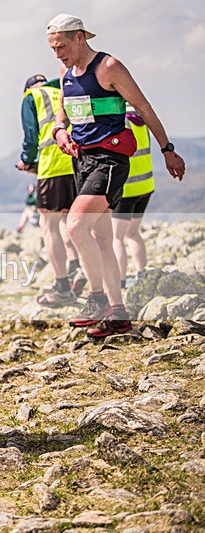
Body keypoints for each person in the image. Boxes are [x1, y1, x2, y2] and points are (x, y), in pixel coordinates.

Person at [46, 14, 185, 338]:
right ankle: (118, 313)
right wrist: (59, 130)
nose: (58, 54)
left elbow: (144, 107)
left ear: (80, 38)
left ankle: (95, 299)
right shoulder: (65, 72)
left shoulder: (109, 67)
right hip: (81, 159)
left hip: (110, 159)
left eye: (62, 46)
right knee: (102, 239)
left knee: (76, 225)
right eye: (53, 49)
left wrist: (167, 149)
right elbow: (63, 112)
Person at [18, 73, 86, 306]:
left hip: (52, 166)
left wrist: (26, 159)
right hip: (78, 161)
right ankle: (78, 267)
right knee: (72, 220)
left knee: (50, 226)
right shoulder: (63, 90)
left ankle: (62, 287)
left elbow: (31, 136)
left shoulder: (31, 98)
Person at [112, 105, 154, 289]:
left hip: (126, 189)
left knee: (117, 237)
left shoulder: (119, 123)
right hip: (145, 186)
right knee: (132, 233)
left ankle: (120, 281)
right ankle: (142, 273)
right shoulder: (141, 122)